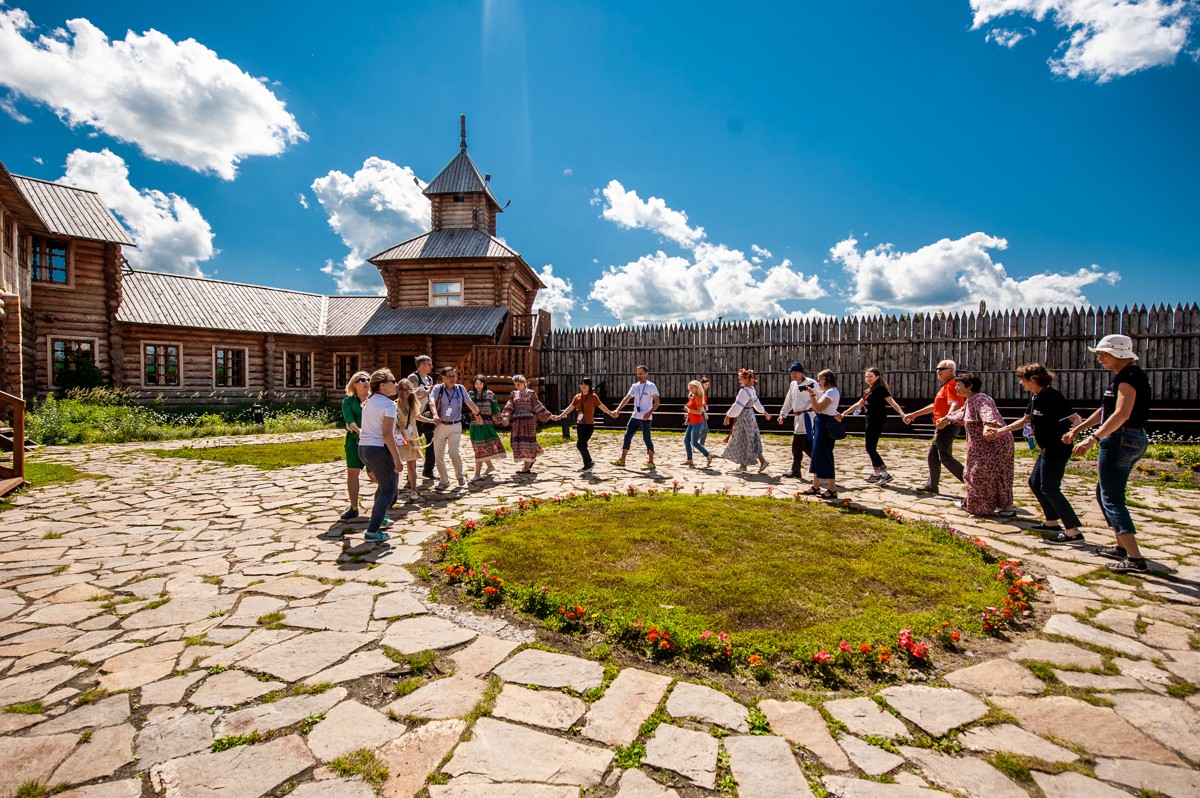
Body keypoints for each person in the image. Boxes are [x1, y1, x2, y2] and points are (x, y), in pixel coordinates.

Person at [1063, 334, 1153, 574]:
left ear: (1119, 354)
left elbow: (1121, 413)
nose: (1099, 358)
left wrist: (1093, 439)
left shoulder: (1129, 377)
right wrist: (1079, 429)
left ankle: (1134, 558)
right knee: (1104, 494)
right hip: (1126, 437)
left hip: (1121, 437)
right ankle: (1121, 546)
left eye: (1103, 353)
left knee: (1112, 497)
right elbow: (1105, 410)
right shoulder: (1123, 376)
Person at [985, 363, 1083, 541]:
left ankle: (1073, 531)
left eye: (1023, 380)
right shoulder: (1035, 397)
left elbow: (1076, 418)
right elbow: (1025, 420)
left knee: (1050, 488)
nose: (1021, 383)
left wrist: (1073, 432)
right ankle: (1052, 521)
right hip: (1047, 447)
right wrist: (1000, 431)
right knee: (1035, 482)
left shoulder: (1053, 397)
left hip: (1058, 448)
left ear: (1033, 379)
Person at [936, 373, 1015, 517]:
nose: (956, 388)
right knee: (981, 474)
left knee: (981, 474)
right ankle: (983, 504)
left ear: (970, 386)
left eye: (959, 385)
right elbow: (961, 414)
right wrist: (946, 419)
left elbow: (988, 414)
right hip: (980, 446)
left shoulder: (982, 399)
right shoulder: (969, 401)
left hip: (994, 444)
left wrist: (988, 426)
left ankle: (987, 508)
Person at [903, 360, 965, 494]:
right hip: (943, 425)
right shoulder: (946, 386)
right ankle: (932, 485)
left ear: (951, 371)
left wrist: (946, 419)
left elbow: (954, 405)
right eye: (937, 368)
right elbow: (934, 406)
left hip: (947, 425)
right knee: (933, 456)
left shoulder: (952, 384)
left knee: (945, 457)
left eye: (942, 368)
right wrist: (914, 414)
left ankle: (972, 483)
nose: (938, 371)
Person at [356, 369, 404, 542]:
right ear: (383, 385)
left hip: (364, 448)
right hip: (378, 449)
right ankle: (372, 532)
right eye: (393, 381)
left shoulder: (370, 401)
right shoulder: (388, 404)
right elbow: (386, 434)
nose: (396, 384)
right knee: (389, 489)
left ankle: (380, 516)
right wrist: (397, 458)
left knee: (383, 485)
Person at [837, 368, 906, 485]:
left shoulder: (880, 389)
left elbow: (892, 402)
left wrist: (902, 414)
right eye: (866, 377)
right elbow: (858, 404)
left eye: (871, 376)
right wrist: (845, 413)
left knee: (870, 448)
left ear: (877, 377)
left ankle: (885, 473)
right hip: (870, 420)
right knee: (870, 447)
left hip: (877, 420)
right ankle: (876, 474)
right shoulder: (869, 391)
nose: (868, 379)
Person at [426, 367, 481, 489]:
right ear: (443, 377)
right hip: (440, 426)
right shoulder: (438, 388)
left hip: (455, 425)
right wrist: (435, 414)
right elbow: (431, 402)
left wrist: (477, 414)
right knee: (438, 454)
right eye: (449, 376)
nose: (452, 379)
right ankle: (444, 480)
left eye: (454, 376)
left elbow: (469, 402)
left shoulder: (460, 389)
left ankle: (459, 475)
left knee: (453, 453)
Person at [553, 378, 617, 471]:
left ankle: (590, 462)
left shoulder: (593, 396)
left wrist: (610, 413)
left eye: (585, 384)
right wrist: (561, 415)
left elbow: (601, 406)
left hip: (589, 425)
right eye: (581, 384)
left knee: (580, 444)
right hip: (580, 424)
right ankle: (587, 464)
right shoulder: (577, 397)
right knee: (583, 445)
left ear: (589, 386)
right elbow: (570, 407)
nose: (583, 386)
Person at [496, 374, 553, 474]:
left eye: (519, 384)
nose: (517, 386)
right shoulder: (513, 394)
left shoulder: (531, 394)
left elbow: (537, 406)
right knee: (518, 443)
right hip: (517, 421)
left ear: (524, 383)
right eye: (515, 384)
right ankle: (531, 458)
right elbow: (509, 406)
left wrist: (549, 415)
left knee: (527, 442)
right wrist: (505, 417)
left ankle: (526, 467)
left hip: (528, 421)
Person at [776, 361, 818, 482]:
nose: (794, 374)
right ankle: (798, 469)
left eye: (796, 372)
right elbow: (789, 400)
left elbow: (819, 397)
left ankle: (816, 466)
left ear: (802, 373)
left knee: (802, 444)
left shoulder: (811, 383)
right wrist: (783, 414)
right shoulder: (793, 385)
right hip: (798, 418)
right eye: (792, 372)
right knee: (801, 445)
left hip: (809, 418)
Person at [612, 365, 660, 469]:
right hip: (635, 416)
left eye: (641, 373)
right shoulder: (635, 386)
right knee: (627, 436)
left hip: (645, 418)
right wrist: (618, 409)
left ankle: (651, 462)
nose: (639, 375)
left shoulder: (651, 386)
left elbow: (657, 402)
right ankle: (622, 459)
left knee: (646, 438)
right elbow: (627, 398)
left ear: (646, 374)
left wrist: (649, 413)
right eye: (637, 373)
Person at [722, 368, 771, 472]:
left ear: (747, 379)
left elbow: (737, 406)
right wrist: (763, 412)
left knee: (743, 438)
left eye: (741, 379)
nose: (739, 381)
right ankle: (743, 466)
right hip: (751, 416)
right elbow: (757, 404)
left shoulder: (744, 391)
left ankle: (761, 461)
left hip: (744, 417)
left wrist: (728, 415)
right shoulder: (752, 390)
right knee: (746, 438)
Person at [340, 370, 371, 520]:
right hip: (354, 440)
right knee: (352, 472)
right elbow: (349, 417)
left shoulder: (374, 400)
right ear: (354, 384)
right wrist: (358, 431)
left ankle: (390, 492)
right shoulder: (348, 401)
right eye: (362, 380)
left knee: (373, 475)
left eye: (368, 379)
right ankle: (354, 507)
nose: (366, 382)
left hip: (372, 442)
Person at [806, 369, 841, 498]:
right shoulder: (827, 392)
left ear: (826, 379)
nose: (819, 382)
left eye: (820, 379)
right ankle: (816, 486)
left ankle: (832, 488)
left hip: (825, 424)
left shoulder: (831, 392)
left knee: (825, 454)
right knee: (817, 454)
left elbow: (818, 408)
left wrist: (812, 394)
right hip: (820, 422)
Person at [467, 375, 507, 480]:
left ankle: (477, 474)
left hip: (487, 424)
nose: (478, 386)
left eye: (480, 383)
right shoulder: (470, 395)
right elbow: (474, 406)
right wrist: (478, 416)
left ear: (484, 384)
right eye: (476, 384)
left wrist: (501, 419)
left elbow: (495, 408)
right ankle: (489, 466)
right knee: (479, 447)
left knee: (482, 447)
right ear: (474, 384)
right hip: (475, 424)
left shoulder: (490, 394)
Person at [406, 356, 437, 481]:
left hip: (427, 414)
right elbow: (411, 394)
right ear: (421, 365)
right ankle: (410, 476)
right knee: (413, 446)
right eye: (429, 364)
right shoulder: (413, 377)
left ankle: (428, 470)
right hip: (415, 416)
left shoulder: (428, 378)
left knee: (432, 443)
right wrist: (427, 392)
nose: (431, 366)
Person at [393, 377, 423, 502]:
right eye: (402, 389)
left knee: (412, 465)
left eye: (407, 389)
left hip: (412, 435)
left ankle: (413, 490)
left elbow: (417, 417)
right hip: (399, 436)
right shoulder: (394, 405)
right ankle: (393, 491)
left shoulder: (414, 404)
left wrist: (432, 420)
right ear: (398, 390)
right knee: (396, 465)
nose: (405, 392)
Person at [683, 380, 714, 467]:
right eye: (689, 388)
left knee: (694, 442)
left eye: (692, 388)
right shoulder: (693, 397)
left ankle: (708, 454)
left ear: (697, 387)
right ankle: (690, 459)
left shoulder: (699, 397)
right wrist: (687, 410)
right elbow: (688, 406)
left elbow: (699, 411)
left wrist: (689, 410)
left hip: (697, 422)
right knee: (686, 440)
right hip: (692, 421)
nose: (690, 390)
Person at [697, 376, 712, 448]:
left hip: (702, 411)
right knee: (705, 430)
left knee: (704, 429)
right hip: (700, 412)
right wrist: (705, 413)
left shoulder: (703, 391)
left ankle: (701, 445)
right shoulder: (700, 392)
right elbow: (700, 403)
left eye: (708, 384)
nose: (707, 386)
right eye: (706, 384)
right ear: (702, 384)